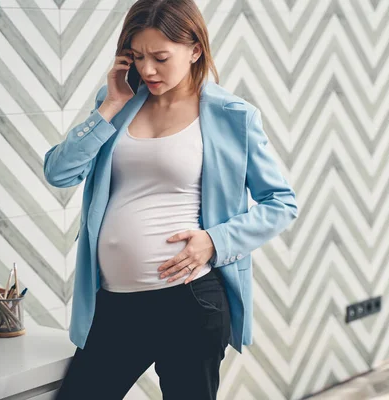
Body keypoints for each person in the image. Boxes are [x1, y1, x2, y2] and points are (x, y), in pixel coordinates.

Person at [45, 0, 298, 399]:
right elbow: (59, 173)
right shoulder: (118, 105)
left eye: (161, 58)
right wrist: (111, 104)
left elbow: (281, 202)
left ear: (195, 49)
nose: (147, 70)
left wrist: (215, 242)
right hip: (115, 303)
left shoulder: (233, 116)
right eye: (138, 56)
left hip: (190, 302)